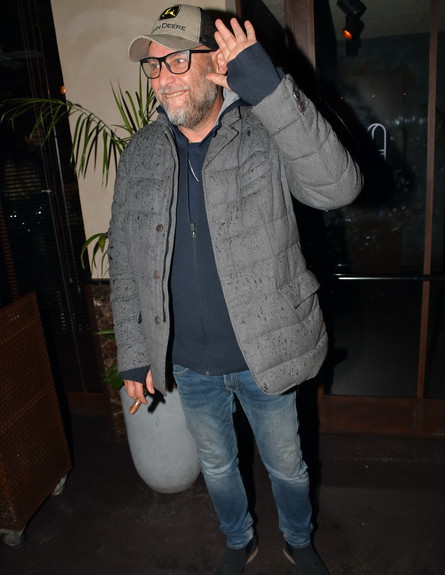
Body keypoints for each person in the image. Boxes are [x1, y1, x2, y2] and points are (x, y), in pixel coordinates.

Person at [108, 5, 362, 575]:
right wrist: (134, 355)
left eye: (177, 59)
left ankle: (298, 540)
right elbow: (123, 258)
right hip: (189, 363)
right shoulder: (142, 152)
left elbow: (338, 186)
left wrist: (267, 87)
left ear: (215, 64)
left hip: (265, 352)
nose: (163, 77)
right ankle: (238, 540)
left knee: (287, 467)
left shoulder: (263, 130)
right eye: (154, 66)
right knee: (218, 467)